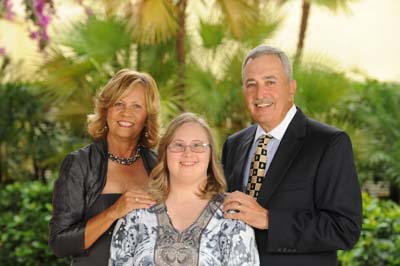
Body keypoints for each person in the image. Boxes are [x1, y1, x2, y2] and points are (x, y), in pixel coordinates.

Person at [221, 45, 362, 266]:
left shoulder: (328, 143)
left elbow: (345, 228)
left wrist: (268, 220)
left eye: (270, 82)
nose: (260, 93)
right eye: (251, 84)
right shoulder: (234, 144)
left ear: (291, 87)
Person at [109, 112, 259, 266]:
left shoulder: (232, 214)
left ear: (210, 155)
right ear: (165, 153)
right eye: (178, 145)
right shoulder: (137, 212)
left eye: (197, 145)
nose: (188, 153)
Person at [49, 69, 161, 265]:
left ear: (147, 116)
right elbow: (60, 244)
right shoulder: (80, 164)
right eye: (119, 103)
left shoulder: (158, 166)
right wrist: (114, 212)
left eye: (137, 106)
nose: (126, 112)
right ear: (106, 109)